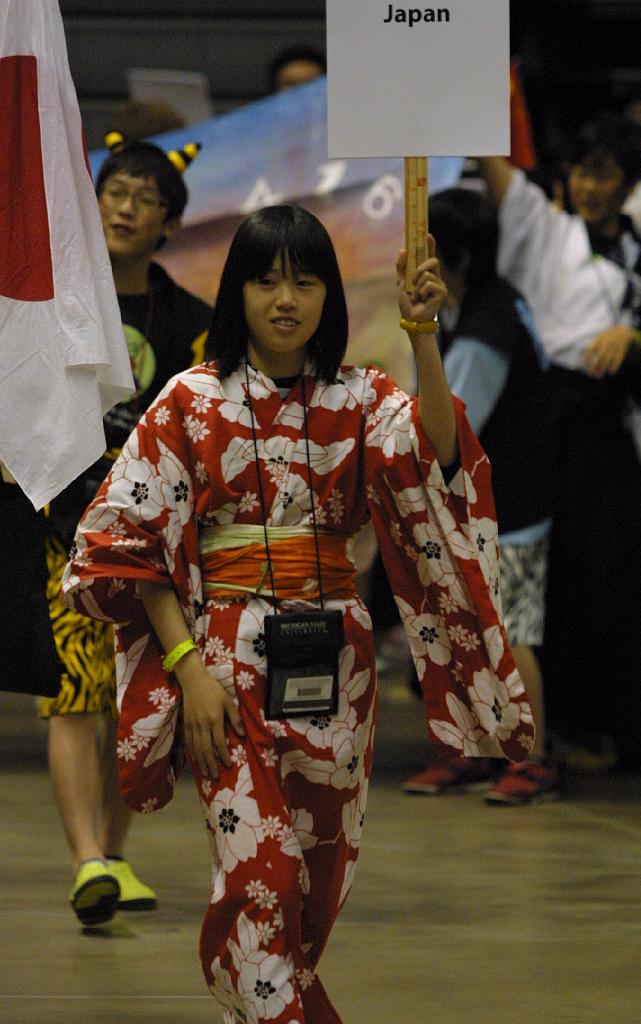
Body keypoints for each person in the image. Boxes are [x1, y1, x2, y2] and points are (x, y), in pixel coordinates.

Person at [61, 204, 534, 1022]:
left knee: (311, 890)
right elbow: (134, 547)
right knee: (260, 878)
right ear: (236, 292)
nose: (285, 298)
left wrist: (423, 334)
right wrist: (187, 670)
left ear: (330, 296)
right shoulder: (189, 400)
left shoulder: (363, 397)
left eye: (305, 280)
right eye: (265, 279)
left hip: (335, 668)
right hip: (222, 669)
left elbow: (437, 457)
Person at [39, 136, 213, 927]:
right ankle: (87, 860)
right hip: (59, 523)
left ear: (169, 223)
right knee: (74, 689)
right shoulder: (51, 305)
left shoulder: (192, 326)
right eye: (115, 190)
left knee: (137, 695)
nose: (125, 205)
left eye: (146, 197)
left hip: (150, 540)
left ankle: (114, 852)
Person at [479, 115, 641, 770]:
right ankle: (545, 726)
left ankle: (610, 727)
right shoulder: (545, 232)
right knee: (540, 582)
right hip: (539, 427)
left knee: (611, 578)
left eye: (606, 174)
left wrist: (637, 339)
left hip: (609, 437)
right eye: (583, 171)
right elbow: (498, 167)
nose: (591, 186)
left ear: (628, 187)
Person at [403, 188, 557, 804]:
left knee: (512, 630)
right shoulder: (479, 306)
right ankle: (470, 748)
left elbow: (451, 426)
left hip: (512, 508)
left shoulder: (488, 327)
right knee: (462, 629)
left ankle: (532, 758)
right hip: (477, 506)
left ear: (457, 256)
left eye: (425, 249)